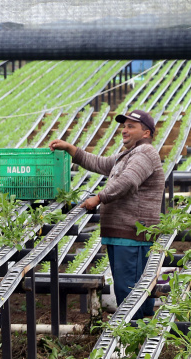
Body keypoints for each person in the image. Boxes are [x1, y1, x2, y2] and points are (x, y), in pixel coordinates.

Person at [50, 109, 164, 319]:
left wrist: (99, 198)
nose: (124, 130)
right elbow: (100, 163)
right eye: (124, 126)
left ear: (146, 133)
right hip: (123, 235)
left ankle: (134, 339)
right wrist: (70, 149)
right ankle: (138, 334)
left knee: (131, 292)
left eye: (131, 126)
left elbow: (128, 181)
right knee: (131, 290)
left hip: (133, 235)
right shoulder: (129, 155)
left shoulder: (145, 154)